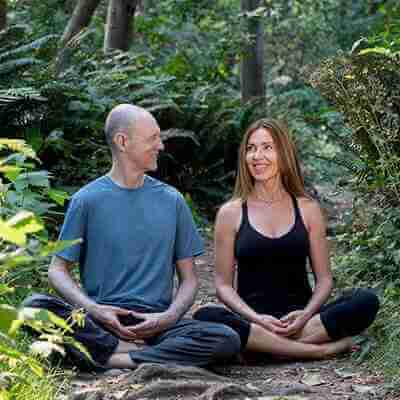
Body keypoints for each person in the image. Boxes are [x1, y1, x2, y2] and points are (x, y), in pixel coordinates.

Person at [23, 104, 240, 371]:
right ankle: (134, 352)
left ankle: (111, 358)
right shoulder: (86, 200)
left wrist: (168, 317)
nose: (160, 145)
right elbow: (57, 270)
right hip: (100, 322)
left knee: (226, 338)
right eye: (153, 138)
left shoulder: (172, 201)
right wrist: (95, 310)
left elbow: (190, 280)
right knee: (32, 308)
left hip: (157, 325)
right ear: (122, 141)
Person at [193, 118, 379, 360]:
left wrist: (304, 315)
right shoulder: (231, 213)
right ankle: (317, 350)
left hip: (303, 320)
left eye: (267, 147)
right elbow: (223, 286)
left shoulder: (307, 209)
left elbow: (324, 280)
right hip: (254, 321)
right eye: (251, 148)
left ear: (284, 153)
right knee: (205, 316)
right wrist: (255, 319)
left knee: (365, 301)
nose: (257, 156)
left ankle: (264, 349)